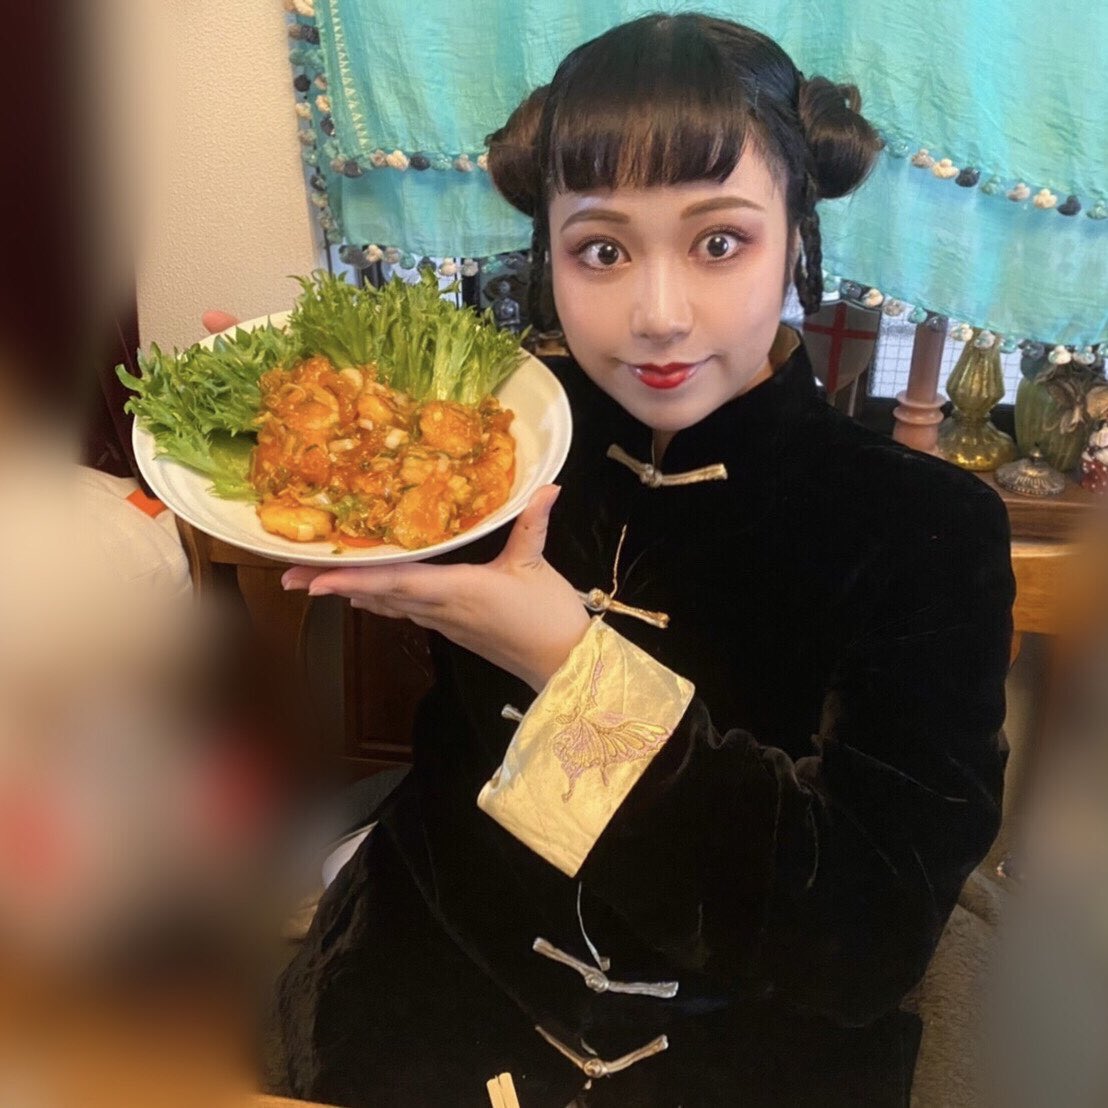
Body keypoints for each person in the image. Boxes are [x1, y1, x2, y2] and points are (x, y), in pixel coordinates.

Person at [274, 13, 1014, 1106]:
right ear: (549, 255)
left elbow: (864, 941)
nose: (658, 316)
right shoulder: (487, 444)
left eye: (719, 242)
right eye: (602, 250)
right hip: (429, 979)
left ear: (797, 235)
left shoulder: (927, 529)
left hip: (750, 1047)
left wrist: (569, 668)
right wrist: (296, 426)